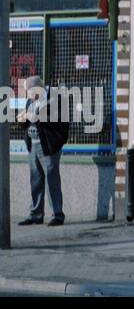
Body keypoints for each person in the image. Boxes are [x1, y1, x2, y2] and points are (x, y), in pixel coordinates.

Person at [17, 75, 70, 226]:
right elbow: (29, 122)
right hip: (32, 145)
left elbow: (56, 121)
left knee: (52, 181)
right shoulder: (31, 101)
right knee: (35, 180)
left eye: (29, 92)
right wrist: (22, 120)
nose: (28, 96)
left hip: (48, 146)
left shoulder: (56, 99)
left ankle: (57, 215)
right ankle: (36, 214)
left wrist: (36, 116)